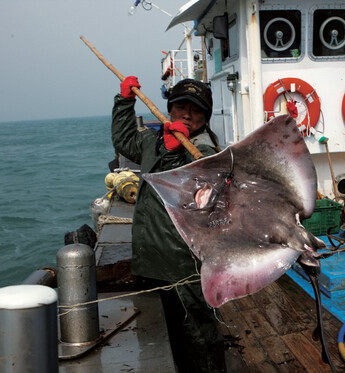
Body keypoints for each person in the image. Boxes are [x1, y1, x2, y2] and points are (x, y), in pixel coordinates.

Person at [111, 77, 225, 372]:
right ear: (170, 108)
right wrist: (124, 103)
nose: (187, 114)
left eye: (196, 110)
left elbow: (197, 187)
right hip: (151, 256)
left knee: (198, 333)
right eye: (180, 106)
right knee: (167, 333)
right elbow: (125, 142)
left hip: (183, 262)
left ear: (206, 116)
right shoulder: (154, 139)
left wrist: (175, 151)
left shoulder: (206, 151)